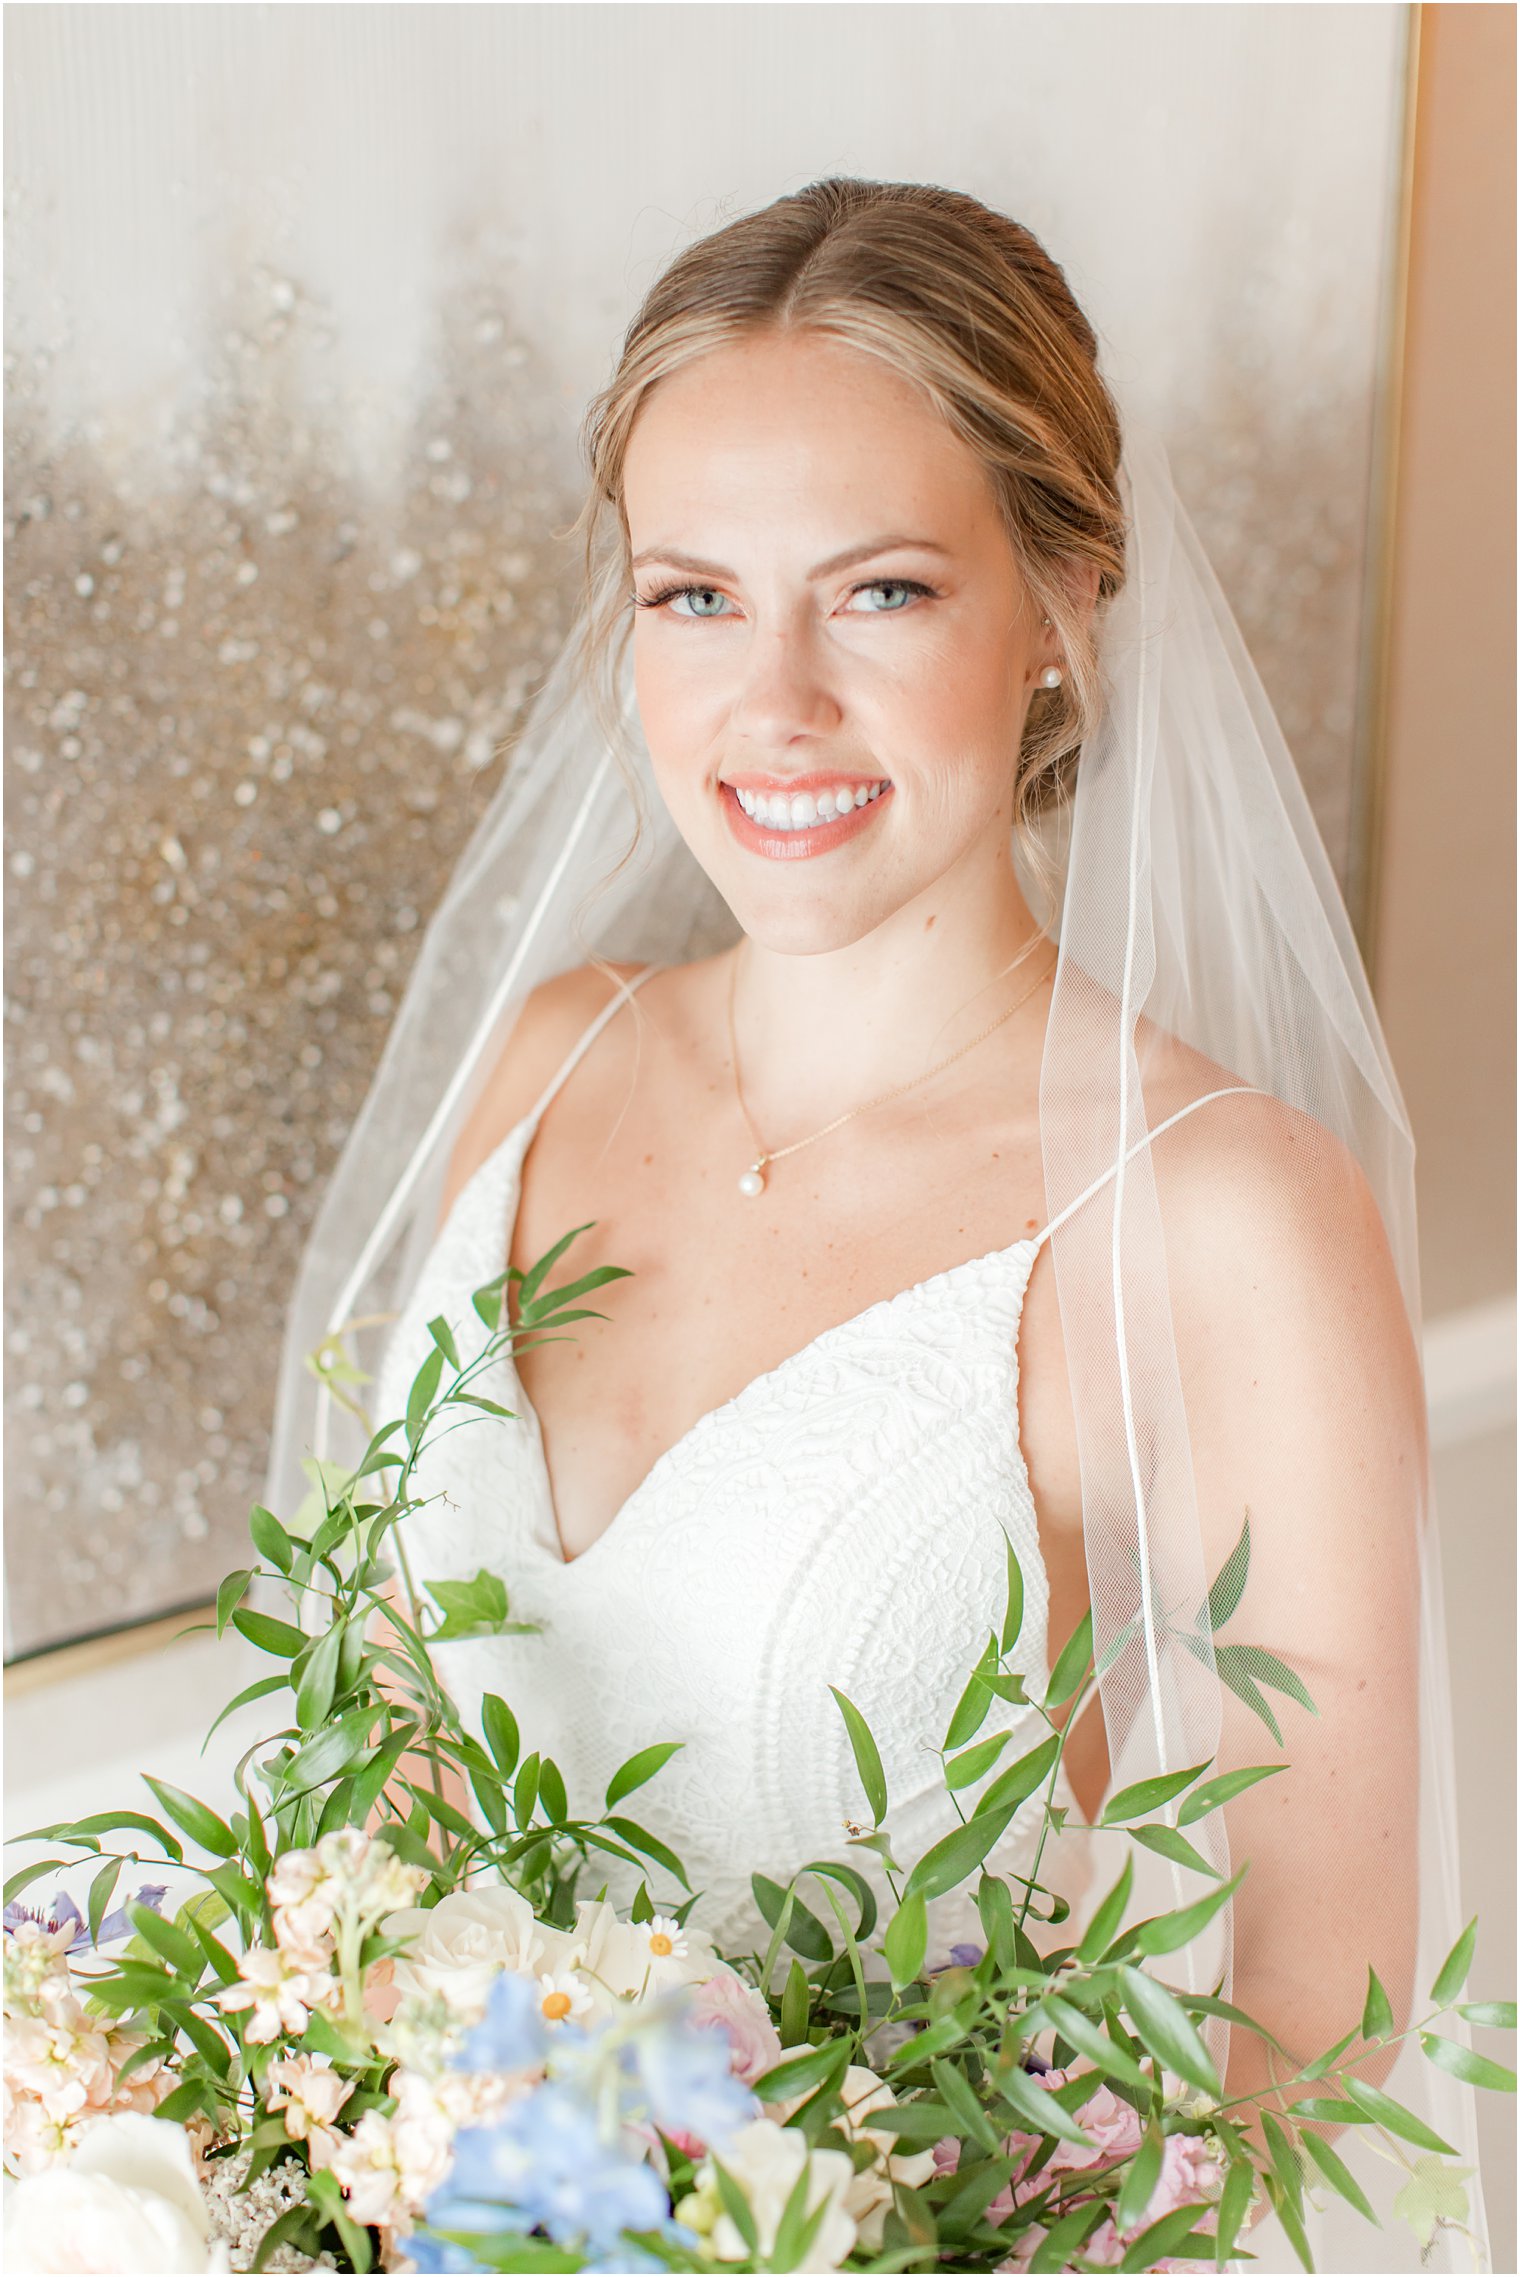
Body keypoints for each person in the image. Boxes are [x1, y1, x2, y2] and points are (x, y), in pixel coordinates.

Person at [270, 180, 1487, 2267]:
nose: (776, 705)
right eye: (694, 597)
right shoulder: (546, 1060)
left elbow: (1316, 2038)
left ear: (1067, 605)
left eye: (887, 591)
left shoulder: (1220, 1216)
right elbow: (368, 1766)